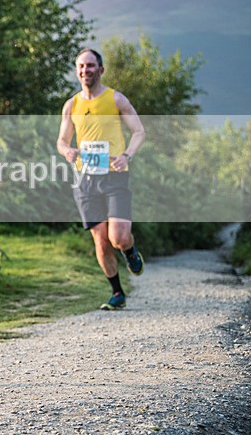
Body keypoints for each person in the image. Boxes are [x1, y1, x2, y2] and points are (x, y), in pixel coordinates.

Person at [57, 48, 146, 310]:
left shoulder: (116, 99)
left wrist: (127, 155)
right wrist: (68, 151)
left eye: (91, 66)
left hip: (115, 177)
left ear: (101, 69)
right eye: (81, 66)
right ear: (77, 71)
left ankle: (129, 250)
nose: (85, 70)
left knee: (118, 237)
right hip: (85, 180)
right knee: (100, 238)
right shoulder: (71, 105)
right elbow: (61, 141)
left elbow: (139, 131)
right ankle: (117, 293)